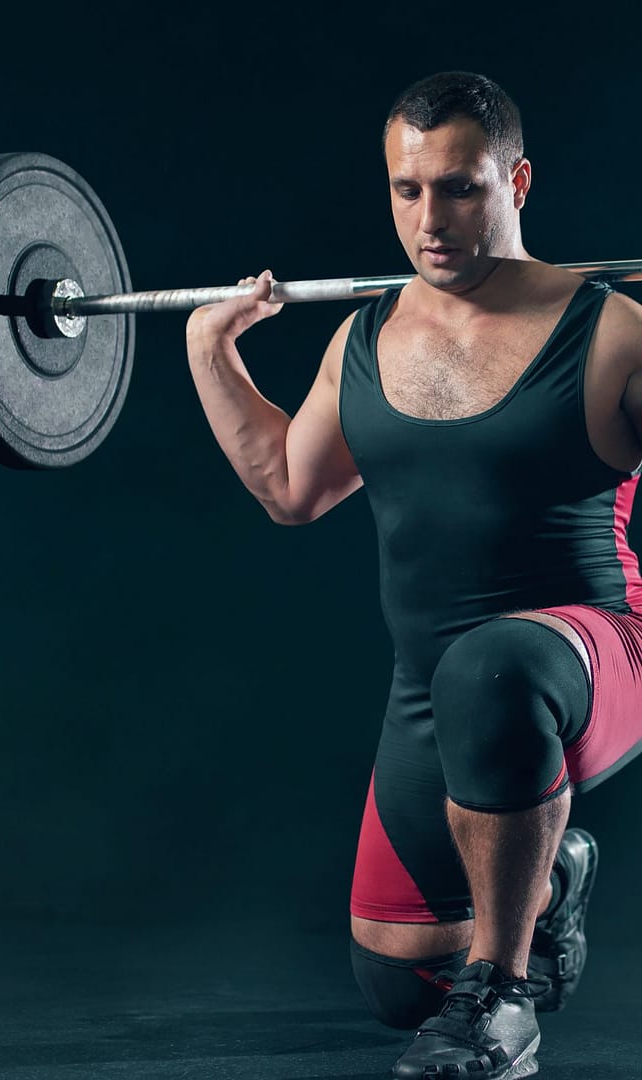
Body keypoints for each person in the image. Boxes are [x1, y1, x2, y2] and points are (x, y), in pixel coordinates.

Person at [185, 70, 642, 1080]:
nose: (430, 219)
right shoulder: (365, 337)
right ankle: (550, 877)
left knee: (495, 668)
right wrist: (209, 350)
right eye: (407, 189)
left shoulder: (613, 334)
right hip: (434, 689)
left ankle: (505, 1006)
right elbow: (289, 489)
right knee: (398, 985)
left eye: (461, 188)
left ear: (516, 182)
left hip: (593, 650)